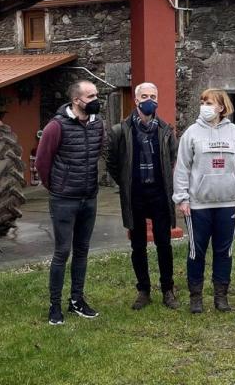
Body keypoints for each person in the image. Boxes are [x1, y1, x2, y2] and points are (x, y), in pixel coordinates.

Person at [173, 88, 235, 314]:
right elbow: (182, 168)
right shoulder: (191, 133)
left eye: (209, 102)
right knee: (196, 252)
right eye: (202, 102)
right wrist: (182, 198)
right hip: (198, 205)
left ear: (221, 107)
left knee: (224, 251)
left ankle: (221, 297)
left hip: (227, 203)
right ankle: (196, 297)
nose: (204, 106)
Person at [34, 80, 106, 326]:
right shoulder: (56, 126)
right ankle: (54, 306)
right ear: (77, 100)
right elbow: (42, 163)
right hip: (64, 199)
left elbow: (98, 153)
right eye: (91, 96)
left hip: (89, 197)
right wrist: (56, 187)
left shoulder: (97, 125)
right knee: (62, 252)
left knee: (82, 251)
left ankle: (77, 300)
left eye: (96, 94)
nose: (96, 99)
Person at [106, 82, 180, 310]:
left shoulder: (165, 131)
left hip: (159, 193)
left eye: (153, 96)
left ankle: (168, 289)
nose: (150, 100)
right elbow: (112, 163)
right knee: (138, 246)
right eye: (145, 96)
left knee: (163, 243)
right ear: (136, 100)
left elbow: (171, 159)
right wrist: (127, 183)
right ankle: (144, 290)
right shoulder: (121, 130)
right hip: (135, 195)